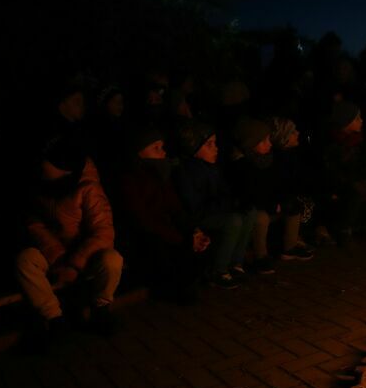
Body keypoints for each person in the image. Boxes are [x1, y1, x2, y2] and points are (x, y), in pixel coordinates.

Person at [15, 137, 122, 343]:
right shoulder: (40, 186)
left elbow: (103, 233)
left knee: (112, 259)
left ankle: (101, 308)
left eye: (47, 161)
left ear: (64, 167)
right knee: (25, 260)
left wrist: (73, 265)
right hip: (53, 254)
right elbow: (35, 225)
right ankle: (54, 318)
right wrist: (57, 257)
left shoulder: (88, 189)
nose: (41, 165)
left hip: (84, 255)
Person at [118, 126, 209, 304]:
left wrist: (194, 231)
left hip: (164, 230)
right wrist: (181, 238)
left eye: (162, 146)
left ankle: (188, 284)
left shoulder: (160, 174)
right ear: (139, 152)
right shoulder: (129, 180)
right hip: (143, 236)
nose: (163, 152)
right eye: (156, 148)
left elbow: (175, 207)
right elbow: (143, 220)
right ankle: (173, 289)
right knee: (168, 249)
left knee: (198, 242)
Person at [174, 120, 254, 289]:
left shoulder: (213, 168)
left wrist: (234, 202)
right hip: (198, 216)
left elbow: (224, 193)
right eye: (209, 144)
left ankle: (236, 263)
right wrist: (226, 205)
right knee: (234, 220)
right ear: (194, 148)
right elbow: (194, 206)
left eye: (215, 143)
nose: (216, 148)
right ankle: (218, 270)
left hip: (213, 210)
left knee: (248, 213)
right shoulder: (186, 173)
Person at [228, 117, 280, 274]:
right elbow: (250, 193)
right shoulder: (242, 165)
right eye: (264, 141)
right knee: (261, 218)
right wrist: (269, 204)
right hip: (247, 206)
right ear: (250, 144)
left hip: (261, 203)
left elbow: (269, 186)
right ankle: (259, 257)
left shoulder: (264, 160)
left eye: (269, 140)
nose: (269, 144)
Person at [322, 101, 366, 243]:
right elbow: (331, 170)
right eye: (357, 118)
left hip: (354, 179)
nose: (361, 121)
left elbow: (364, 165)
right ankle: (342, 229)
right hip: (339, 182)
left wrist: (362, 179)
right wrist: (351, 182)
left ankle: (362, 227)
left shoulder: (359, 141)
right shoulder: (333, 143)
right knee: (354, 194)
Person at [269, 117, 316, 259]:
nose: (297, 133)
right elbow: (282, 184)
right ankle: (290, 244)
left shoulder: (292, 156)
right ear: (285, 138)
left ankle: (297, 237)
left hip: (289, 194)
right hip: (279, 199)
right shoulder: (279, 160)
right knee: (296, 205)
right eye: (293, 132)